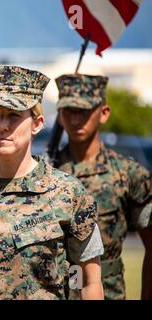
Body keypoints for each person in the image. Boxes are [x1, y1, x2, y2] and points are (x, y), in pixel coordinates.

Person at [0, 65, 104, 300]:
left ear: (37, 123)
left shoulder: (67, 194)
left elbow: (89, 282)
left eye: (13, 115)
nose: (1, 126)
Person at [54, 74, 152, 300]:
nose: (76, 119)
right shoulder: (46, 173)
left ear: (104, 113)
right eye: (68, 110)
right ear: (59, 115)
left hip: (108, 293)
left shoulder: (129, 174)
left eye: (84, 111)